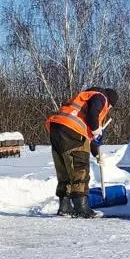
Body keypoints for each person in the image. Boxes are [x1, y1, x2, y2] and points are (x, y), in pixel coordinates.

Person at [45, 87, 118, 218]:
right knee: (79, 167)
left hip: (57, 127)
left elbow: (88, 136)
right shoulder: (100, 97)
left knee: (65, 171)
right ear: (110, 102)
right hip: (72, 130)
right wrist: (96, 129)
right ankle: (82, 208)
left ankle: (65, 206)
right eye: (110, 107)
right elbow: (92, 116)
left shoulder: (84, 97)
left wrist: (96, 153)